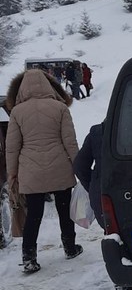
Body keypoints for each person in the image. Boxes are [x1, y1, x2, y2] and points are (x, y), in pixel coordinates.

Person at [4, 68, 82, 273]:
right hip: (60, 168)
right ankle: (70, 247)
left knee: (34, 214)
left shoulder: (17, 112)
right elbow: (70, 142)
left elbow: (12, 147)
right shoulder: (60, 108)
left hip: (31, 172)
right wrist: (79, 168)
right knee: (64, 210)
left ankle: (29, 256)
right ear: (48, 85)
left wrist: (12, 174)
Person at [73, 121, 104, 227]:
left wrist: (92, 186)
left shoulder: (99, 132)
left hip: (106, 192)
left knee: (113, 233)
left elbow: (80, 166)